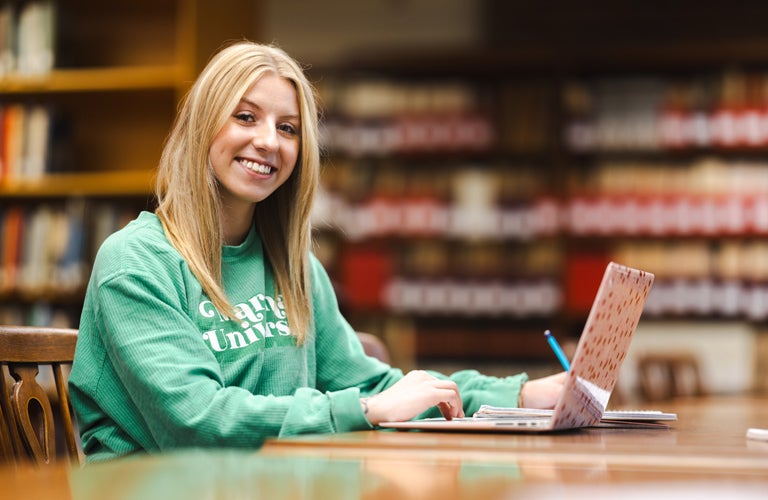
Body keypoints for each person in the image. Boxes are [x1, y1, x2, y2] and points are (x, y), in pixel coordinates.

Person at [68, 40, 566, 462]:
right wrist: (364, 413)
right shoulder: (135, 262)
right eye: (246, 117)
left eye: (287, 128)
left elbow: (378, 386)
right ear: (201, 127)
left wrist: (519, 396)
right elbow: (198, 423)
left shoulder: (295, 269)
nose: (268, 141)